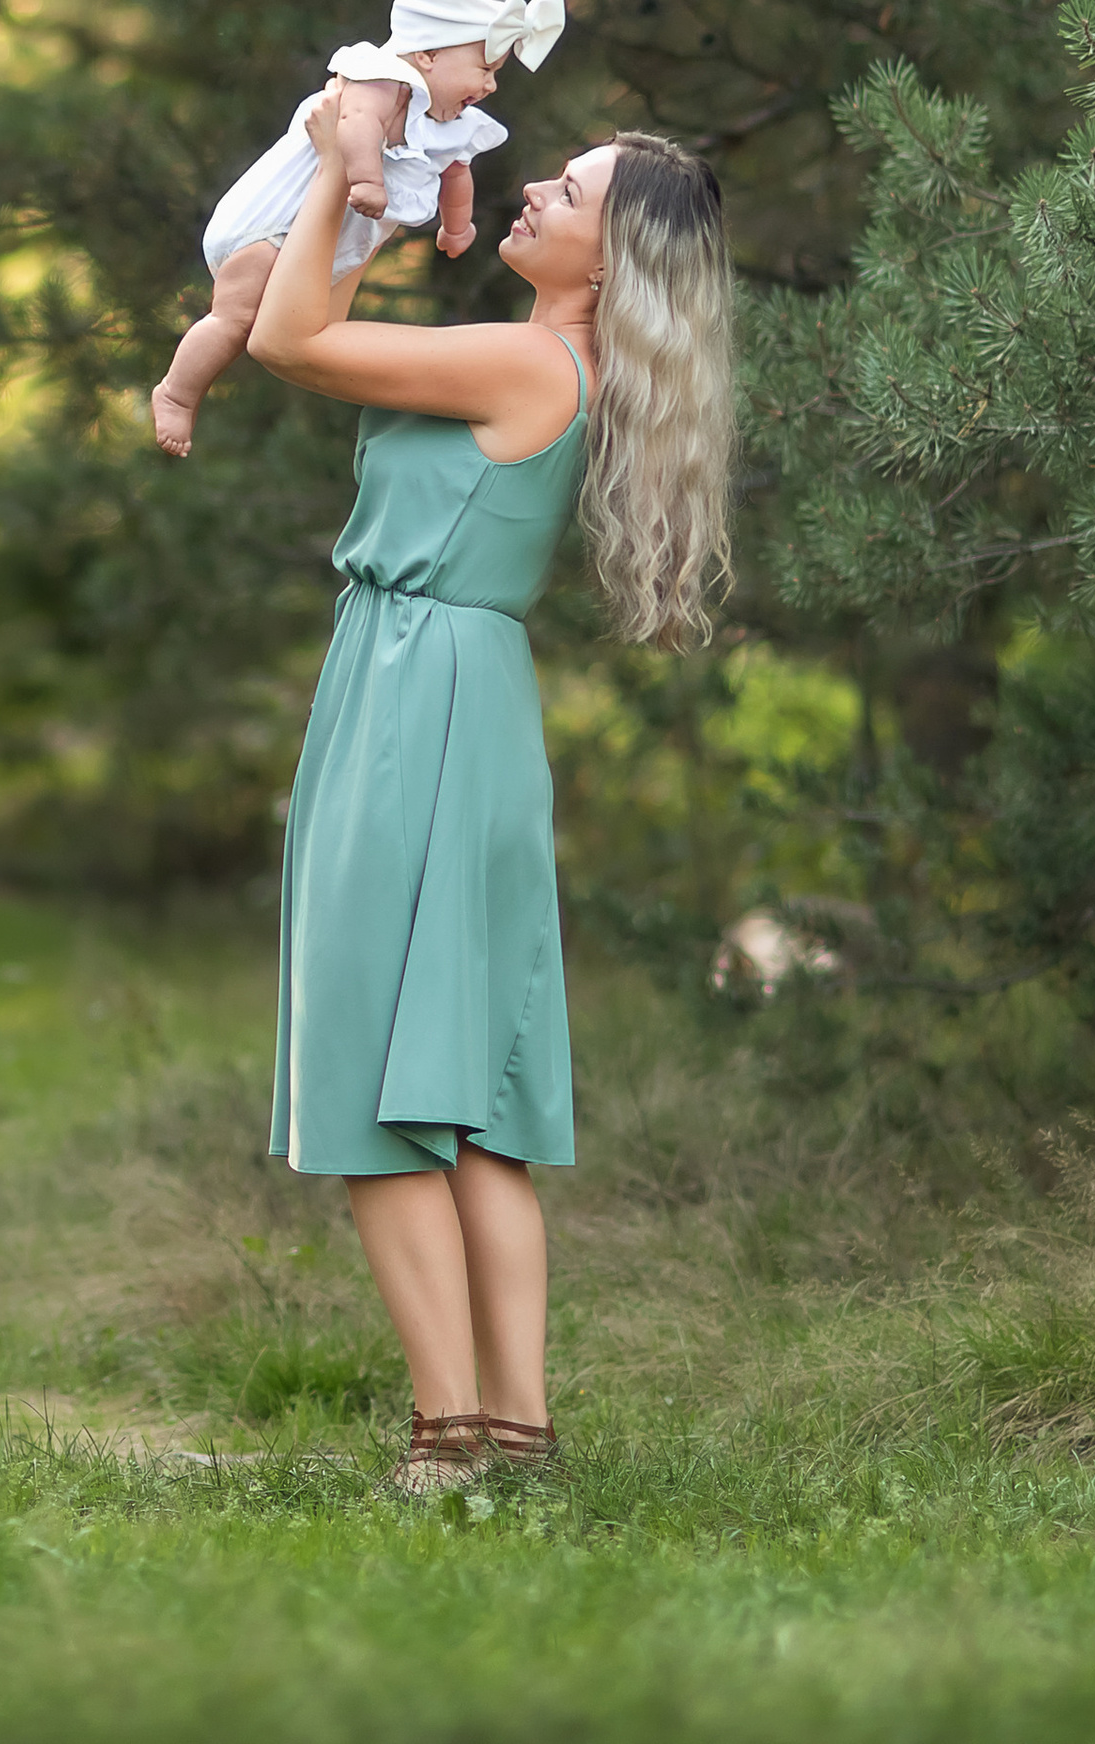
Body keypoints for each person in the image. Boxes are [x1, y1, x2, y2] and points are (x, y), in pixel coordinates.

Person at [247, 89, 734, 1493]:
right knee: (467, 1101)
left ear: (614, 261)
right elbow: (305, 308)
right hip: (455, 699)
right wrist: (363, 180)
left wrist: (347, 166)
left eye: (568, 196)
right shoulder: (539, 363)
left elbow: (289, 339)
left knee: (377, 1088)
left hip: (415, 704)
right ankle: (512, 1433)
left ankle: (448, 1437)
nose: (534, 196)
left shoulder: (527, 369)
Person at [150, 0, 564, 457]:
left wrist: (458, 228)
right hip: (271, 226)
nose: (491, 86)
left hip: (321, 245)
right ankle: (176, 392)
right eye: (486, 68)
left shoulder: (452, 124)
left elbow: (458, 174)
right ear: (429, 53)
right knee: (234, 319)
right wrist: (366, 178)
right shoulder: (382, 79)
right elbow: (357, 125)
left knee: (292, 325)